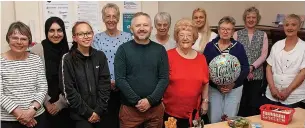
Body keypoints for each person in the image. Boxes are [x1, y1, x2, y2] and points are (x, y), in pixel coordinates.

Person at [114, 12, 169, 128]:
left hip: (155, 110)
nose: (142, 28)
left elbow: (164, 78)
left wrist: (150, 101)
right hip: (130, 111)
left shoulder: (160, 50)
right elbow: (120, 79)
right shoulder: (123, 50)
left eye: (145, 25)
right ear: (131, 28)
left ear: (151, 28)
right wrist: (137, 102)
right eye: (138, 25)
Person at [60, 21, 111, 128]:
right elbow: (69, 90)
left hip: (101, 113)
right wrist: (88, 113)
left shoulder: (100, 56)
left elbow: (105, 85)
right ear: (74, 38)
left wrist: (98, 111)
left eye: (88, 33)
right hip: (80, 115)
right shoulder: (68, 59)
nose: (86, 37)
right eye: (81, 34)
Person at [163, 18, 209, 128]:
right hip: (170, 113)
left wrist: (205, 101)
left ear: (194, 38)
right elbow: (160, 81)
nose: (185, 38)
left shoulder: (201, 58)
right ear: (177, 37)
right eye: (181, 35)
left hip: (194, 113)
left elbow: (205, 82)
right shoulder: (168, 56)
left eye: (189, 35)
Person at [92, 3, 132, 127]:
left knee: (123, 122)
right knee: (106, 122)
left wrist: (119, 81)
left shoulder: (127, 37)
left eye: (114, 16)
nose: (111, 19)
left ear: (118, 18)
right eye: (108, 16)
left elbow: (130, 63)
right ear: (103, 18)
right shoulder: (97, 39)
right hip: (103, 88)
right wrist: (108, 81)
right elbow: (94, 64)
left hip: (124, 87)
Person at [1, 21, 48, 128]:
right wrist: (20, 114)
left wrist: (31, 111)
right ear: (8, 39)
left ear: (29, 42)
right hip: (8, 120)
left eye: (23, 39)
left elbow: (42, 87)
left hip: (37, 117)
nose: (19, 42)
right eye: (15, 38)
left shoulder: (36, 59)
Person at [203, 16, 249, 123]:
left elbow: (245, 68)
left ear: (233, 32)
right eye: (223, 29)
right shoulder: (210, 46)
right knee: (214, 118)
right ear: (218, 30)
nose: (225, 31)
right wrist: (217, 85)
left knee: (230, 119)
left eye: (229, 29)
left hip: (234, 89)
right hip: (214, 89)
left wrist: (233, 84)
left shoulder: (239, 47)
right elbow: (204, 68)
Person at [31, 16, 72, 128]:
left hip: (67, 105)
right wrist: (47, 103)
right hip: (42, 106)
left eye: (59, 30)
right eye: (51, 30)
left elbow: (74, 80)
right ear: (46, 31)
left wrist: (60, 103)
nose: (56, 34)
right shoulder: (38, 50)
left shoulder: (70, 50)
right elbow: (34, 80)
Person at [233, 7, 269, 117]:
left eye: (254, 17)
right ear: (245, 18)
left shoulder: (263, 35)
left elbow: (264, 55)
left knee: (253, 104)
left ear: (257, 19)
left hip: (257, 76)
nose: (251, 19)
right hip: (240, 74)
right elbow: (234, 55)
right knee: (240, 103)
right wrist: (245, 69)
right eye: (248, 17)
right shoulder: (236, 34)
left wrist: (252, 67)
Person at [265, 14, 305, 108]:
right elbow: (268, 68)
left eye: (293, 25)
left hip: (294, 96)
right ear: (283, 27)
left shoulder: (303, 47)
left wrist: (288, 91)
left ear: (299, 27)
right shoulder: (277, 45)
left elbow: (303, 73)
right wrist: (272, 88)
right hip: (272, 94)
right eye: (287, 25)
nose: (290, 27)